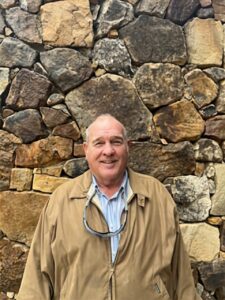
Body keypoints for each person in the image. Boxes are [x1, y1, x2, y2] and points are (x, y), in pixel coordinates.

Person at [18, 114, 201, 300]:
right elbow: (37, 278)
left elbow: (181, 275)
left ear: (127, 147)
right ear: (86, 150)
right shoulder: (61, 201)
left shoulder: (156, 196)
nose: (108, 151)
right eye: (99, 143)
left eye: (116, 142)